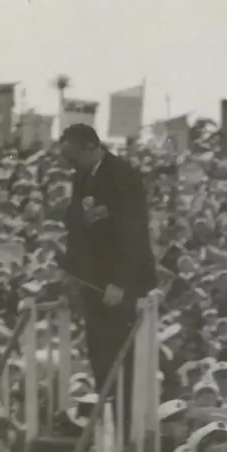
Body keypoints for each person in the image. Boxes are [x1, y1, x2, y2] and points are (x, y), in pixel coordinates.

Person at [57, 124, 157, 396]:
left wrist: (120, 283)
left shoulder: (122, 175)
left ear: (90, 148)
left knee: (120, 354)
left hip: (121, 280)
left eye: (73, 157)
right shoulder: (83, 174)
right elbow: (73, 222)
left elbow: (133, 233)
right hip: (93, 278)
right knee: (99, 353)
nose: (70, 164)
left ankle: (124, 420)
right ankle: (107, 416)